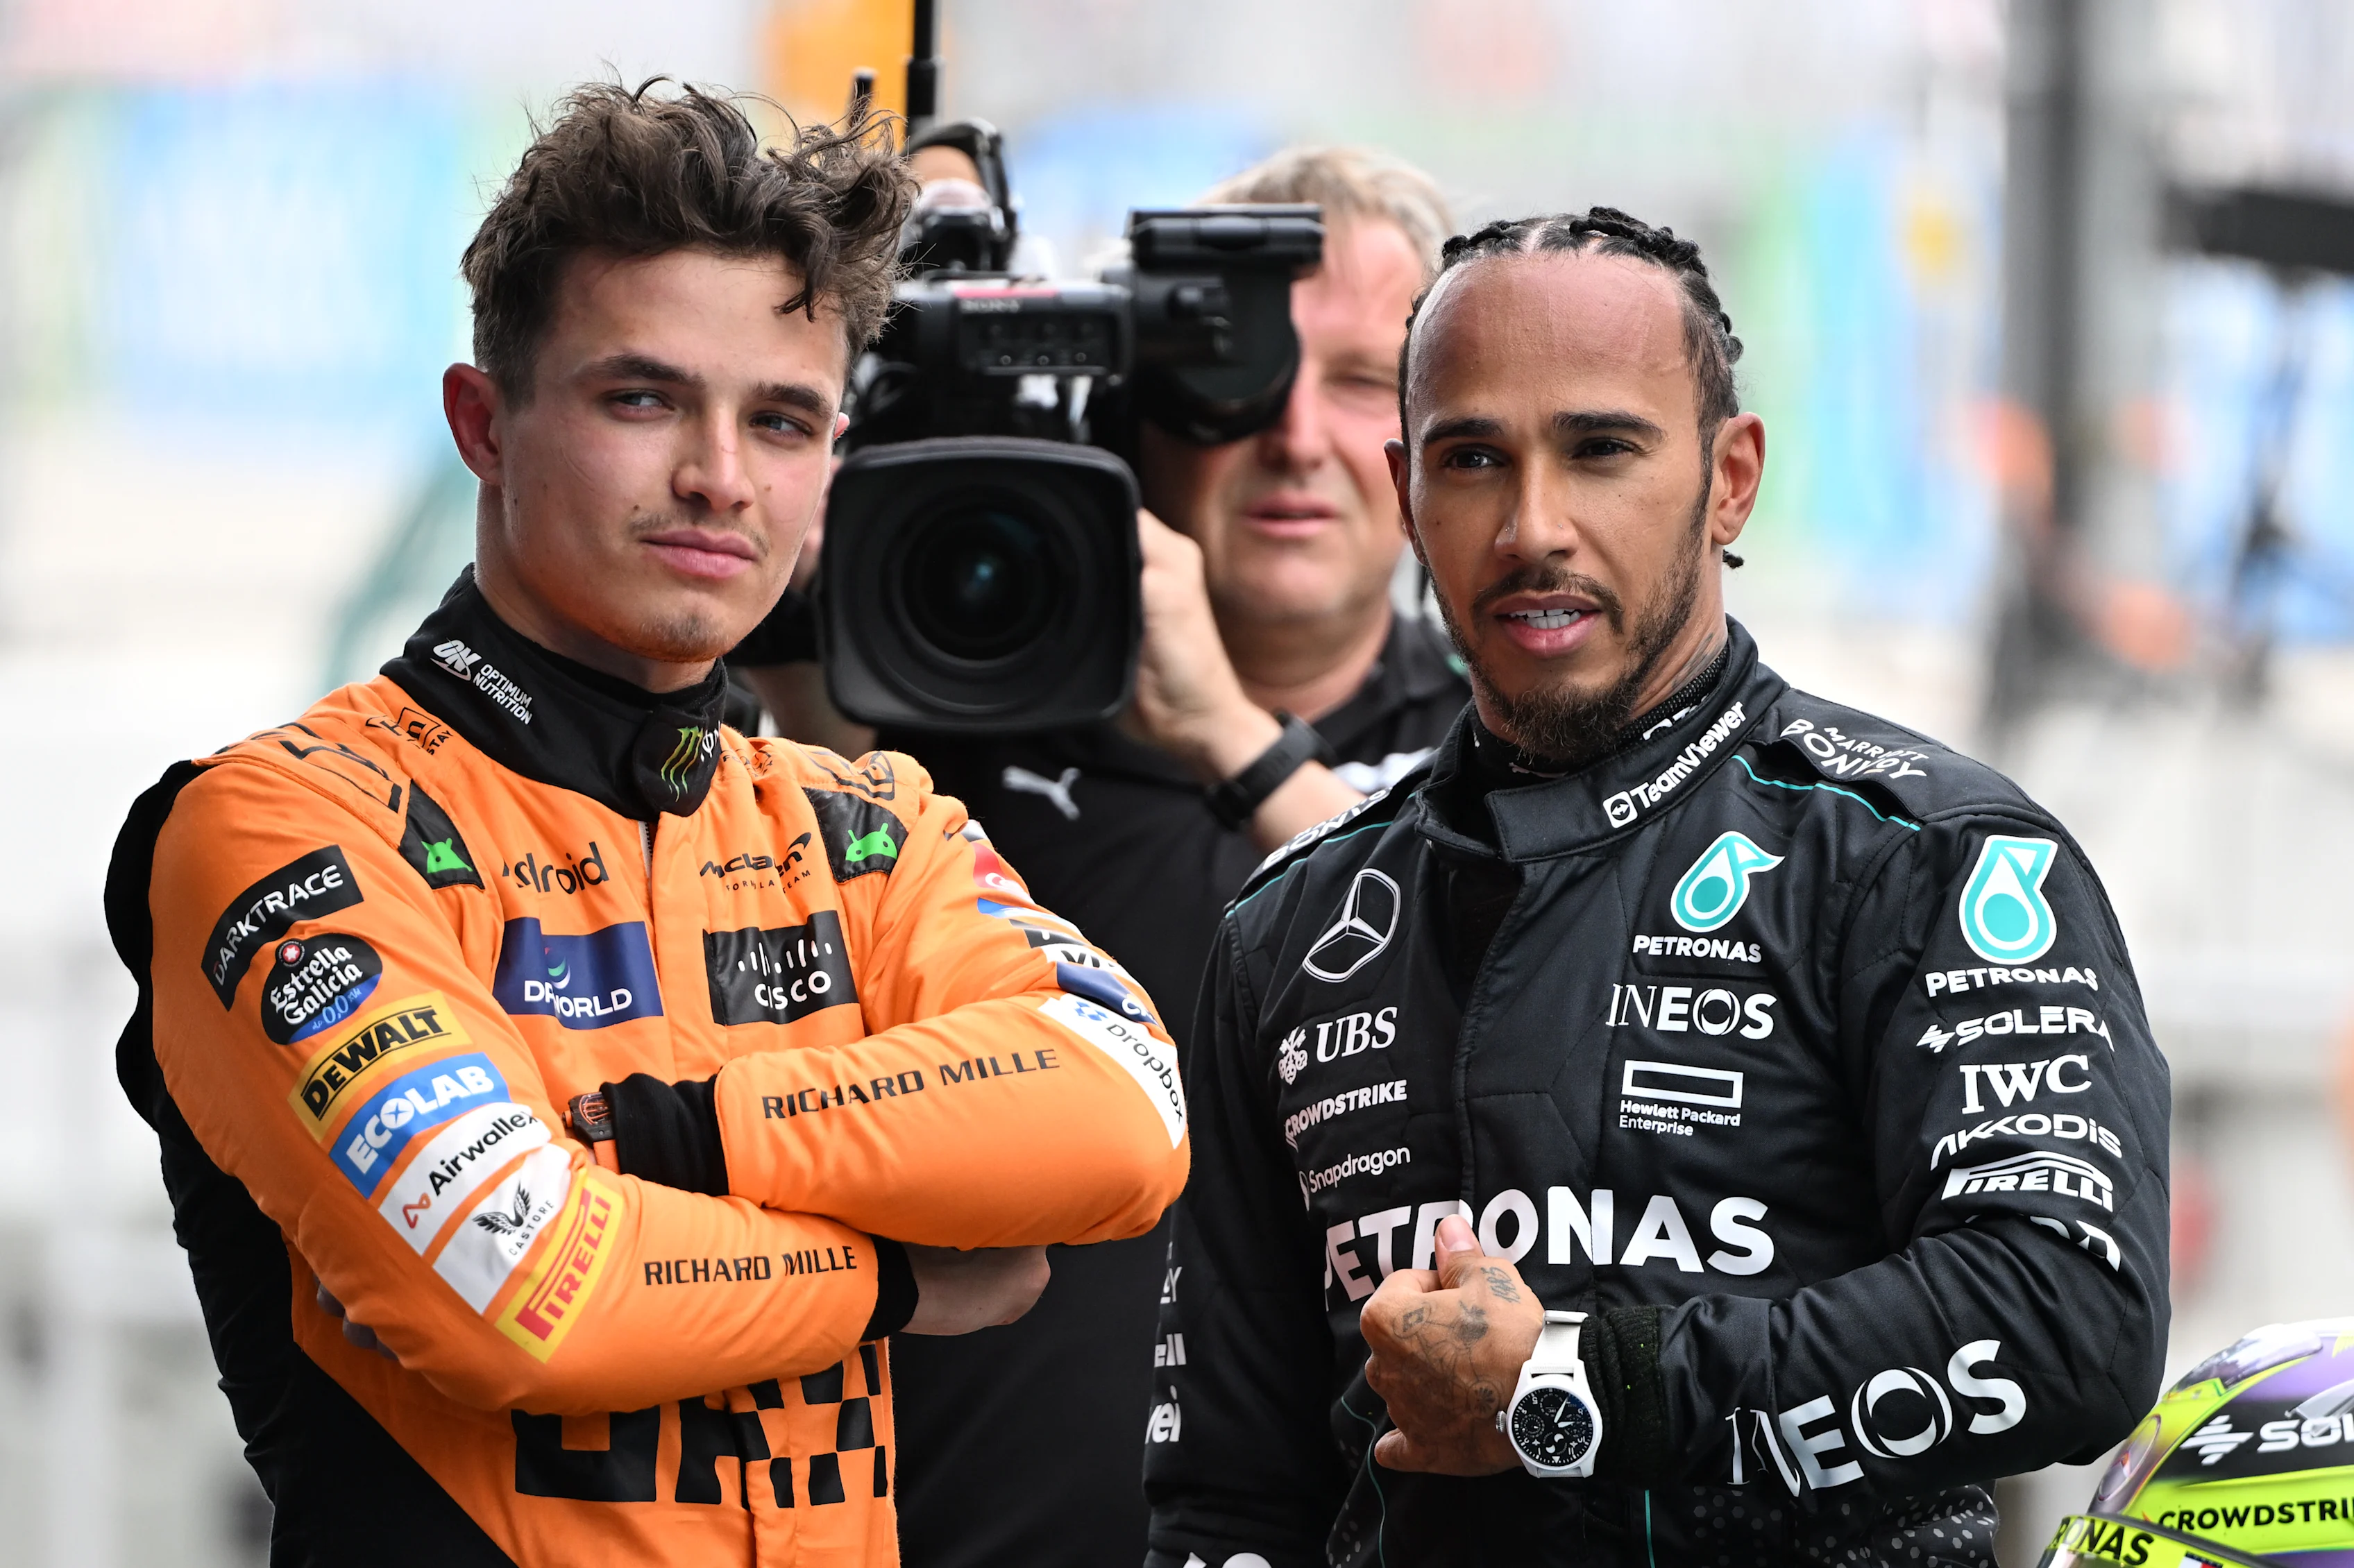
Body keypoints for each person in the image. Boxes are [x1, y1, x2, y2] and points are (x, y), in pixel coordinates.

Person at [103, 82, 1189, 1568]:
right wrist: (902, 1282)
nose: (720, 477)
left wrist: (686, 1134)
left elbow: (1123, 1110)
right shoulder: (281, 820)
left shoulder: (865, 823)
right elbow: (527, 1289)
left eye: (783, 419)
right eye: (642, 397)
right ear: (484, 422)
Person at [1144, 208, 2172, 1567]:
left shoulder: (1925, 851)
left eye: (1601, 449)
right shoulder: (1292, 922)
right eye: (1470, 459)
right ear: (1406, 494)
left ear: (1729, 478)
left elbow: (2068, 1316)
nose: (1532, 525)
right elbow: (1224, 1497)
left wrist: (1577, 1382)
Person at [743, 145, 1470, 1568]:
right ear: (1134, 402)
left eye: (1352, 382)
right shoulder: (940, 687)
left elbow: (1492, 1000)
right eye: (1230, 375)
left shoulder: (1504, 738)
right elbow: (796, 759)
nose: (1292, 435)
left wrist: (1232, 740)